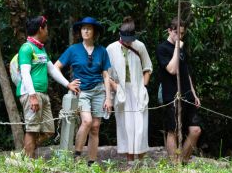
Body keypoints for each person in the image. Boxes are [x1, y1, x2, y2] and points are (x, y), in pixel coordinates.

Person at [17, 15, 81, 158]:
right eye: (46, 29)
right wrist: (32, 96)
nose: (47, 32)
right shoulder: (26, 48)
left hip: (43, 95)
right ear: (41, 29)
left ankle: (25, 153)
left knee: (49, 131)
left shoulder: (41, 49)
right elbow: (25, 73)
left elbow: (52, 70)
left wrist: (68, 84)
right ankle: (28, 162)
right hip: (31, 95)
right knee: (32, 129)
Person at [54, 17, 113, 165]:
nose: (86, 30)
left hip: (99, 91)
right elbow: (56, 67)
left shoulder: (102, 51)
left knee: (95, 127)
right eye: (83, 28)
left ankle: (91, 163)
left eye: (89, 28)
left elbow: (106, 76)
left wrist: (108, 98)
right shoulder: (73, 49)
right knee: (86, 121)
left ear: (94, 32)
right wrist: (68, 84)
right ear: (80, 31)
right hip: (82, 92)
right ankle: (77, 156)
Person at [106, 16, 153, 162]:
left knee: (140, 125)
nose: (128, 41)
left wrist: (143, 86)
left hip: (138, 89)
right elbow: (106, 73)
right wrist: (115, 87)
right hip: (121, 90)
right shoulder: (111, 49)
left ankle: (141, 160)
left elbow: (148, 68)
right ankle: (130, 161)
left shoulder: (140, 46)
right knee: (126, 125)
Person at [156, 17, 202, 163]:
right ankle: (173, 165)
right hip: (171, 95)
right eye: (176, 33)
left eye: (182, 34)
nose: (179, 36)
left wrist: (193, 93)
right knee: (173, 131)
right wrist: (176, 48)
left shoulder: (182, 48)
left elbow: (185, 71)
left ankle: (182, 161)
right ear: (169, 31)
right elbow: (172, 69)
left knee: (195, 130)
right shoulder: (162, 48)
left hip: (187, 94)